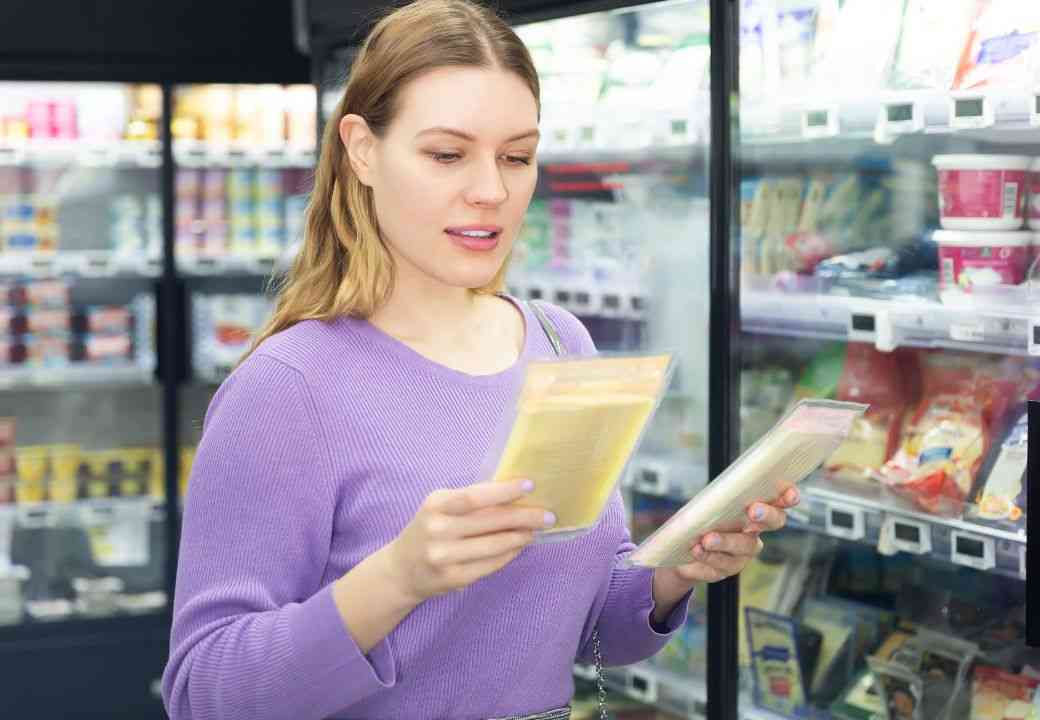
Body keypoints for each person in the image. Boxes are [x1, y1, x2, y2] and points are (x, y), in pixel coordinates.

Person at [160, 1, 799, 719]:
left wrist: (670, 573)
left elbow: (589, 630)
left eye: (516, 156)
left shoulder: (560, 342)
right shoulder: (289, 387)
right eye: (446, 154)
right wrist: (398, 578)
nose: (492, 191)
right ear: (362, 150)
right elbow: (203, 693)